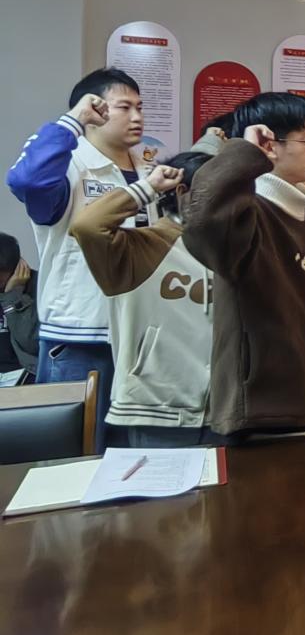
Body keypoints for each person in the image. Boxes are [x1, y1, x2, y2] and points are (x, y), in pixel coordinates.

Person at [5, 68, 154, 448]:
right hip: (80, 335)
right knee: (73, 456)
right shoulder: (69, 167)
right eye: (124, 107)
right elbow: (26, 181)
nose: (137, 116)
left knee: (134, 456)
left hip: (142, 337)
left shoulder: (150, 172)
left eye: (140, 107)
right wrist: (73, 120)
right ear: (95, 109)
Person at [181, 92, 305, 438]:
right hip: (262, 410)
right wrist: (244, 152)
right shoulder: (247, 214)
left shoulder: (304, 215)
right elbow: (202, 224)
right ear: (270, 144)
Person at [69, 152, 219, 447]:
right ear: (182, 192)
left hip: (225, 412)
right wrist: (148, 187)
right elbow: (87, 226)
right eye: (220, 191)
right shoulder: (138, 246)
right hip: (155, 411)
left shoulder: (233, 250)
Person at [0, 233, 38, 383]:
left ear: (17, 268)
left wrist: (13, 298)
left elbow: (32, 345)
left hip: (26, 377)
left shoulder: (39, 288)